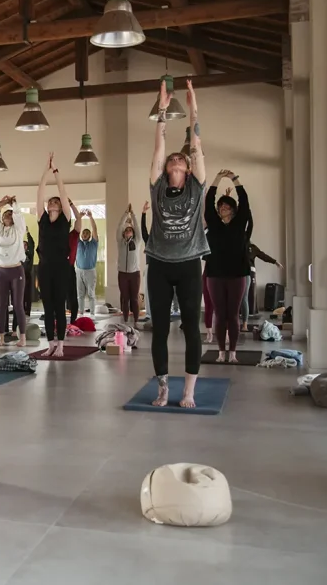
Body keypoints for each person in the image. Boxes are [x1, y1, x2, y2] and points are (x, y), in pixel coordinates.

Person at [146, 78, 208, 408]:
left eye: (179, 160)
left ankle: (189, 391)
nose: (174, 160)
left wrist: (193, 104)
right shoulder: (156, 186)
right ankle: (163, 388)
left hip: (188, 264)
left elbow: (196, 141)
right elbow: (158, 146)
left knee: (191, 328)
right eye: (172, 160)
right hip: (158, 263)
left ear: (186, 167)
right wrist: (163, 110)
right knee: (158, 329)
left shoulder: (197, 186)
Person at [204, 170, 251, 363]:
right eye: (220, 205)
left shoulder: (240, 224)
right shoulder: (214, 225)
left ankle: (233, 353)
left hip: (237, 273)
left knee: (232, 314)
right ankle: (221, 352)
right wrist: (216, 180)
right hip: (215, 274)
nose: (223, 207)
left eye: (226, 205)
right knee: (219, 313)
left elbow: (245, 202)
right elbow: (208, 202)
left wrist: (234, 179)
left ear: (232, 209)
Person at [35, 152, 74, 357]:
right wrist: (45, 172)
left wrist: (56, 171)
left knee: (60, 306)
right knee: (47, 307)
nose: (51, 204)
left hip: (61, 267)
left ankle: (61, 344)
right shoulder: (41, 218)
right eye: (50, 202)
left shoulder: (65, 219)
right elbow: (40, 193)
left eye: (55, 203)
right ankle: (50, 343)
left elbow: (63, 192)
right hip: (44, 267)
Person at [0, 196, 27, 346]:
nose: (8, 215)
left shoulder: (18, 230)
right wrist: (5, 202)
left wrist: (13, 204)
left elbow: (18, 213)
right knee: (1, 305)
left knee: (18, 305)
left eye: (11, 214)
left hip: (16, 270)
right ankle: (1, 337)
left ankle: (22, 338)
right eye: (6, 213)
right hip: (2, 272)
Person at [140, 201, 180, 322]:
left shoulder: (164, 241)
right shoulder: (148, 240)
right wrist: (143, 214)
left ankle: (167, 311)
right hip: (150, 267)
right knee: (148, 292)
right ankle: (148, 314)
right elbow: (143, 230)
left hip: (162, 268)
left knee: (164, 293)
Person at [243, 240, 283, 330]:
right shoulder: (242, 246)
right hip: (241, 272)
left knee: (244, 297)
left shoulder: (251, 247)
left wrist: (275, 262)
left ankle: (244, 323)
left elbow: (263, 256)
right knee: (243, 297)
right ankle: (242, 323)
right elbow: (262, 255)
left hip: (247, 272)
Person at [116, 204, 142, 325]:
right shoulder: (120, 242)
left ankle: (136, 321)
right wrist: (126, 214)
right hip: (123, 274)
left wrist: (133, 215)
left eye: (130, 230)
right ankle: (125, 321)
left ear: (132, 233)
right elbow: (119, 227)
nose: (128, 231)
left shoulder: (137, 241)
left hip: (134, 274)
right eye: (126, 230)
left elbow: (137, 227)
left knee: (134, 298)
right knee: (125, 298)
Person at [75, 209, 99, 315]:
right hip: (79, 270)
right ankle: (81, 313)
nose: (84, 234)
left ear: (90, 236)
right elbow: (75, 230)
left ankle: (92, 313)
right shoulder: (78, 243)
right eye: (83, 233)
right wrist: (79, 218)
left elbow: (94, 229)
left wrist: (90, 217)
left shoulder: (93, 244)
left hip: (90, 271)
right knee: (80, 294)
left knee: (91, 294)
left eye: (87, 233)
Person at [65, 201, 84, 324]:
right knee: (58, 296)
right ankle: (57, 319)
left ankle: (73, 320)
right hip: (57, 268)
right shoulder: (56, 236)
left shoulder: (73, 235)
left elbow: (78, 218)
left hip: (69, 268)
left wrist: (71, 204)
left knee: (72, 295)